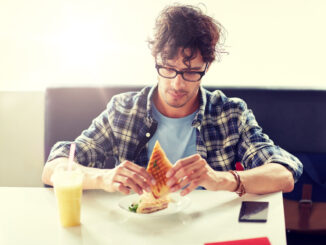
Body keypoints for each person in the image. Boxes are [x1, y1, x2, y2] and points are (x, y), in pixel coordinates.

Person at [42, 4, 302, 197]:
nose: (177, 84)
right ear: (156, 60)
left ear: (206, 68)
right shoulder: (123, 110)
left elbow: (283, 173)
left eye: (191, 72)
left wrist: (221, 179)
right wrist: (104, 177)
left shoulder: (230, 114)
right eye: (168, 68)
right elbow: (53, 168)